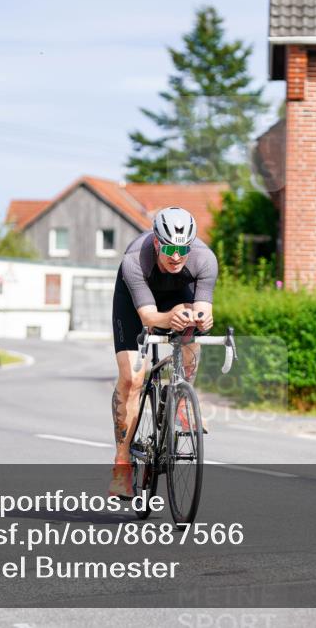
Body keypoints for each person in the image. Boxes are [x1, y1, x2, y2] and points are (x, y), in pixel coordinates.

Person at [108, 207, 217, 497]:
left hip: (179, 294)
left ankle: (182, 400)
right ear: (157, 242)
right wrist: (170, 317)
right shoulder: (134, 259)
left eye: (183, 248)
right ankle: (122, 464)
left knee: (191, 330)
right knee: (132, 378)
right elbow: (148, 317)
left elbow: (203, 307)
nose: (177, 256)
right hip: (137, 303)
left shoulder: (205, 259)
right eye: (169, 248)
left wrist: (202, 318)